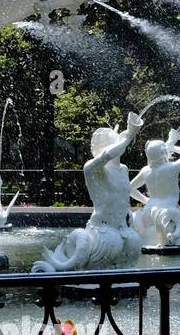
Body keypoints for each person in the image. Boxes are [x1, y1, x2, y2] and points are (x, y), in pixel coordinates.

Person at [33, 113, 144, 273]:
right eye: (115, 141)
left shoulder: (123, 170)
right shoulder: (92, 168)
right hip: (103, 230)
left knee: (134, 242)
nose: (120, 144)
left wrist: (128, 134)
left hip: (123, 229)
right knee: (112, 243)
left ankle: (118, 275)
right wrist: (129, 134)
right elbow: (109, 154)